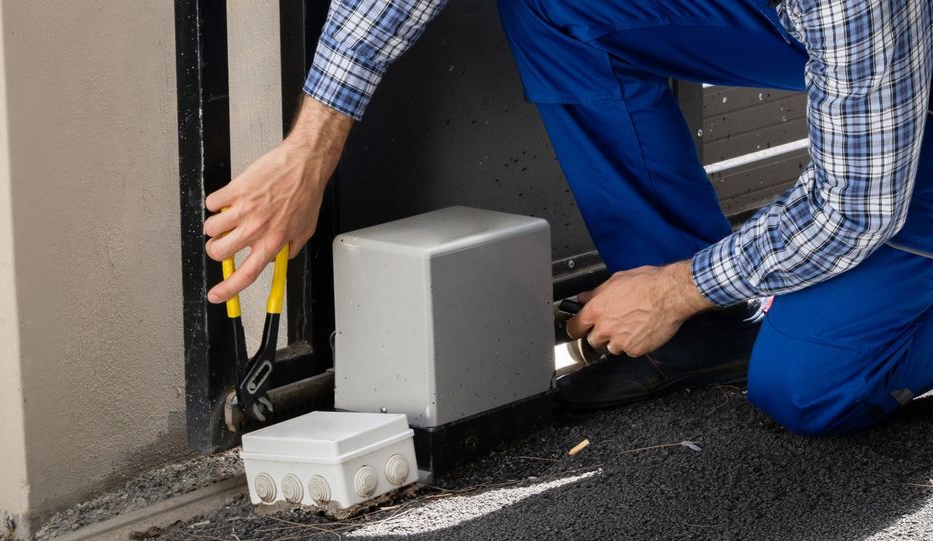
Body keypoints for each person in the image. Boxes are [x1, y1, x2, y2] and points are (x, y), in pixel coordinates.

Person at [201, 0, 933, 436]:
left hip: (895, 85)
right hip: (866, 57)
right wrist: (312, 147)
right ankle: (701, 331)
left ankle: (679, 301)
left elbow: (854, 204)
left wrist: (677, 287)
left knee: (806, 388)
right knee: (560, 7)